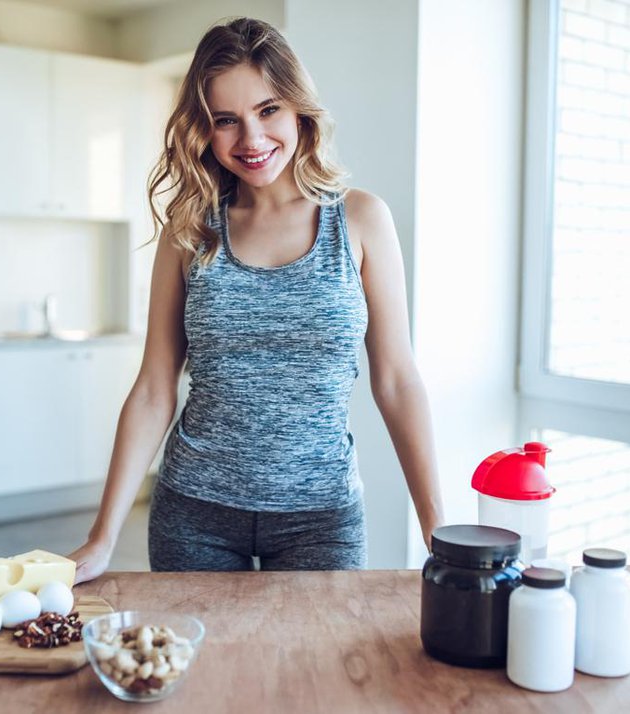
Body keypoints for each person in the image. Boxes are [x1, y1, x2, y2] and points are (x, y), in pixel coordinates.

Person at [68, 17, 443, 583]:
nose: (251, 140)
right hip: (194, 513)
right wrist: (101, 539)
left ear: (298, 108)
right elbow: (153, 389)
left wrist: (437, 528)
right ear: (205, 130)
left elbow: (396, 380)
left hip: (321, 518)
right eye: (226, 121)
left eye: (268, 110)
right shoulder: (189, 226)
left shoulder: (361, 220)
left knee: (318, 669)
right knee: (200, 669)